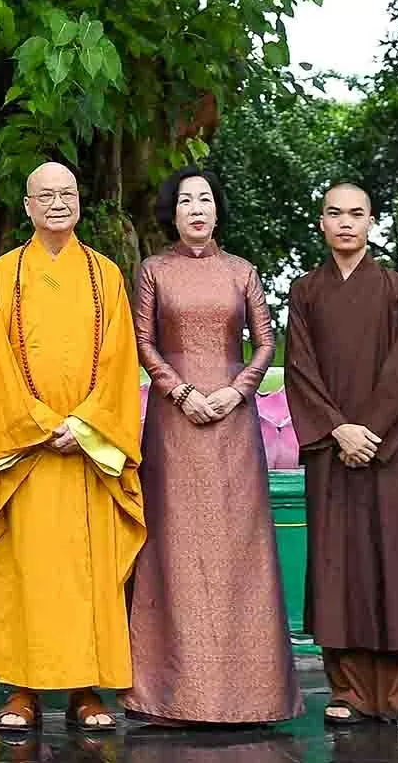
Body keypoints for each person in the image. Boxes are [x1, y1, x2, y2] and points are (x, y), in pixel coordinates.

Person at [0, 160, 143, 735]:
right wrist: (41, 424)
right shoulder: (3, 275)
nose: (58, 202)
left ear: (80, 201)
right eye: (45, 195)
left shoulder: (107, 277)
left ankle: (84, 689)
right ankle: (20, 688)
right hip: (27, 453)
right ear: (27, 206)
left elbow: (120, 365)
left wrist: (85, 426)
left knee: (88, 573)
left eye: (68, 193)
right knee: (23, 569)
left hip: (86, 455)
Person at [122, 168, 299, 726]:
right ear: (171, 212)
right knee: (173, 545)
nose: (196, 208)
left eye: (205, 199)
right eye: (185, 200)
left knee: (238, 549)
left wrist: (235, 390)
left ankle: (254, 694)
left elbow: (266, 341)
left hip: (233, 422)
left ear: (217, 210)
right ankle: (166, 695)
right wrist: (181, 391)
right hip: (174, 426)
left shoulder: (241, 272)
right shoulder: (154, 271)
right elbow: (143, 341)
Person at [283, 183, 398, 731]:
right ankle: (348, 690)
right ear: (321, 223)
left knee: (397, 565)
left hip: (387, 452)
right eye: (334, 214)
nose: (345, 223)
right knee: (337, 567)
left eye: (356, 214)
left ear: (372, 222)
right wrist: (338, 430)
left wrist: (369, 431)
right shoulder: (304, 293)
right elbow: (299, 371)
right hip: (334, 452)